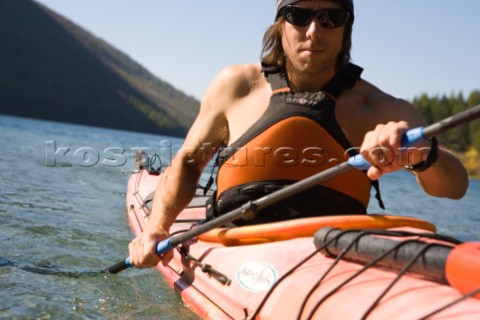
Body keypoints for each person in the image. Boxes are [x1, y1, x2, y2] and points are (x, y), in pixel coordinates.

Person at [128, 0, 469, 268]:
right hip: (233, 248)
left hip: (331, 259)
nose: (314, 30)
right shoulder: (236, 86)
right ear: (281, 22)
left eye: (330, 17)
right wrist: (158, 226)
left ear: (346, 26)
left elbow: (455, 188)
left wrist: (424, 155)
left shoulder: (378, 108)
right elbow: (188, 165)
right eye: (299, 15)